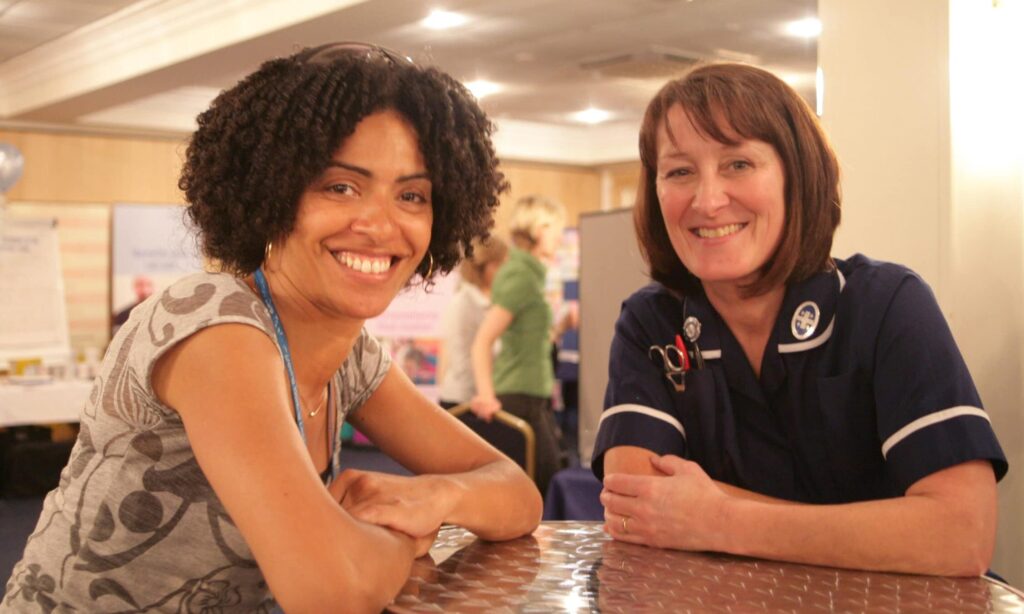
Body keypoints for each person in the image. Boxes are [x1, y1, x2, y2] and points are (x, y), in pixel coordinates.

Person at [2, 42, 541, 614]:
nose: (381, 224)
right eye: (341, 187)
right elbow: (331, 589)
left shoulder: (352, 356)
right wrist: (406, 535)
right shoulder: (215, 324)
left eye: (412, 195)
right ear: (269, 193)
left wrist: (438, 494)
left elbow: (518, 493)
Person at [593, 62, 1007, 576]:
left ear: (798, 174)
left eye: (738, 164)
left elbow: (960, 535)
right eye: (679, 171)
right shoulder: (652, 322)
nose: (707, 199)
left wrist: (720, 519)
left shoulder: (887, 305)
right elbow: (639, 511)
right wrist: (879, 529)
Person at [470, 195, 566, 498]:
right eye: (555, 228)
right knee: (543, 486)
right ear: (538, 229)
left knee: (547, 481)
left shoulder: (529, 274)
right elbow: (482, 341)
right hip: (518, 398)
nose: (560, 236)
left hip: (532, 396)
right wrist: (485, 396)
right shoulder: (521, 276)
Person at [438, 236, 508, 409]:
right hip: (465, 401)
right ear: (486, 266)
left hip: (481, 398)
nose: (507, 272)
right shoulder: (464, 303)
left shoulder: (492, 301)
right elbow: (460, 359)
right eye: (501, 265)